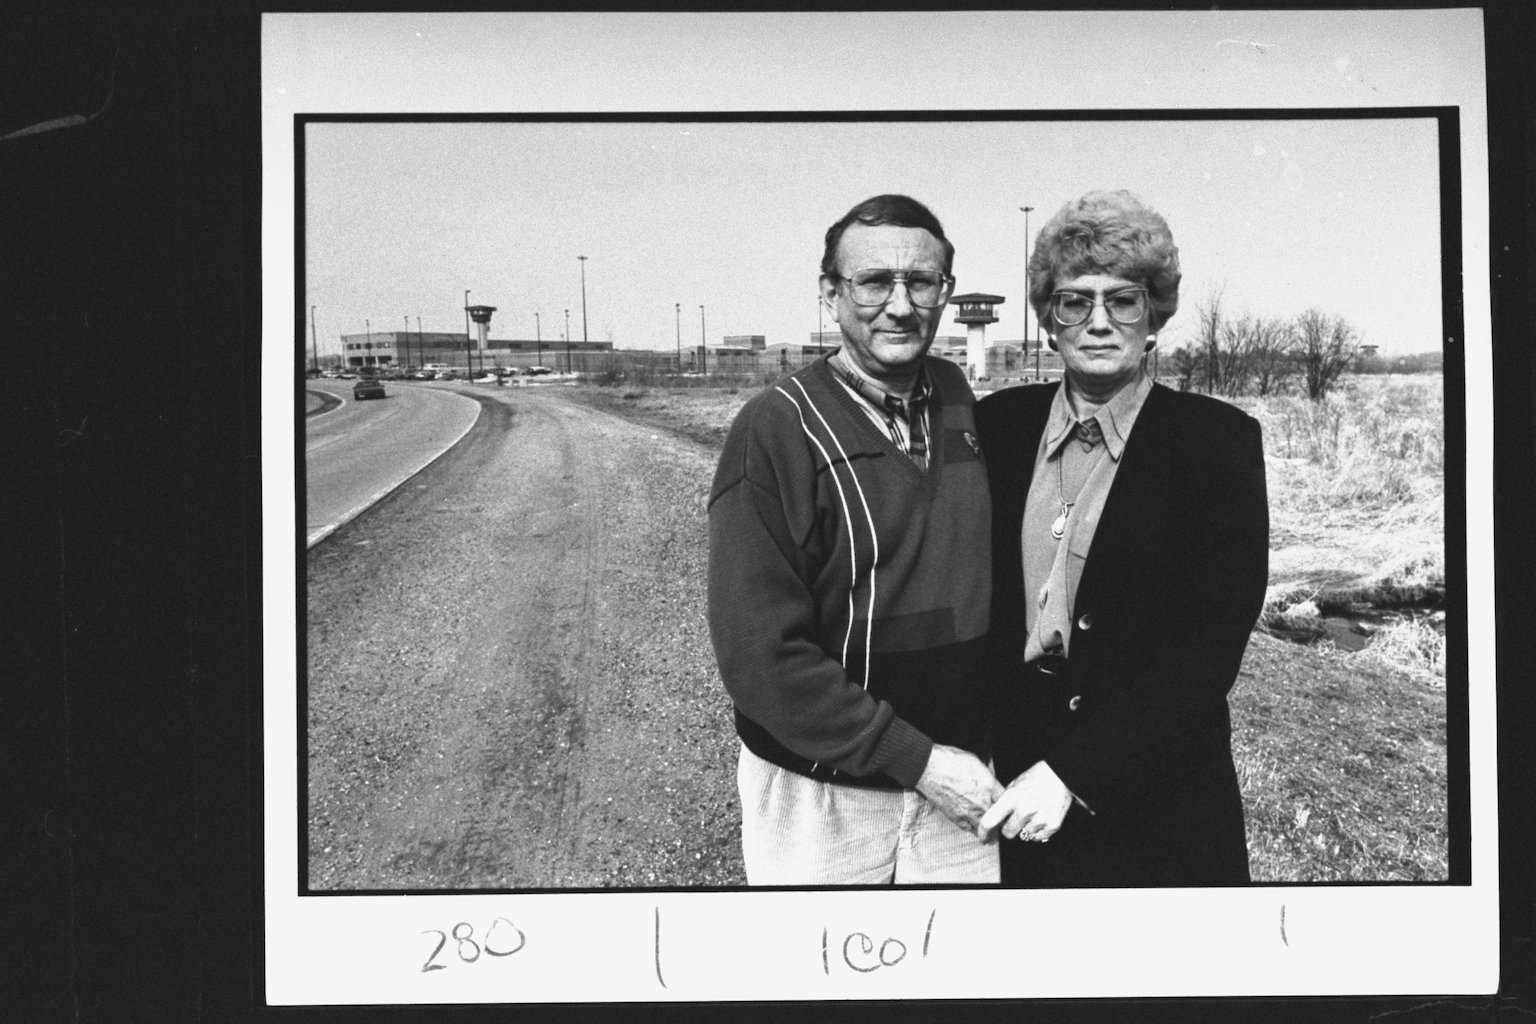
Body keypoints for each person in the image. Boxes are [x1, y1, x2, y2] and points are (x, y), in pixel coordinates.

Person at [975, 190, 1269, 887]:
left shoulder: (1216, 445)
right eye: (1075, 301)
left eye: (1123, 300)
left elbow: (1206, 650)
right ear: (1048, 318)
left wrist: (1074, 774)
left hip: (1158, 795)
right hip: (1013, 788)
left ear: (1155, 313)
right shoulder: (998, 429)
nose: (1099, 322)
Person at [707, 194, 1002, 885]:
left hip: (960, 790)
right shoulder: (774, 430)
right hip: (825, 796)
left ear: (944, 293)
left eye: (922, 282)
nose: (900, 305)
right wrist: (916, 760)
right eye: (873, 282)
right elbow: (760, 656)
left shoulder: (959, 399)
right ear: (830, 294)